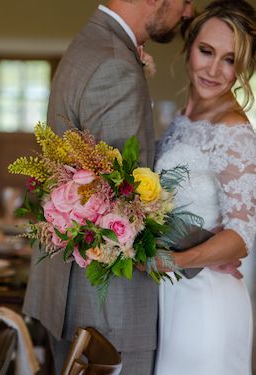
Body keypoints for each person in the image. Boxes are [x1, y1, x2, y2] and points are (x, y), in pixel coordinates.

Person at [23, 1, 193, 374]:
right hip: (107, 311)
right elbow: (124, 204)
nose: (187, 12)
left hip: (77, 296)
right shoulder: (115, 63)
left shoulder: (92, 43)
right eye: (185, 0)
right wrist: (208, 251)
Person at [153, 1, 256, 374]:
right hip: (174, 294)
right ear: (190, 45)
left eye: (229, 59)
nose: (213, 70)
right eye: (206, 51)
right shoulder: (185, 117)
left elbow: (242, 235)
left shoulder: (233, 129)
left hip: (207, 304)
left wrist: (174, 261)